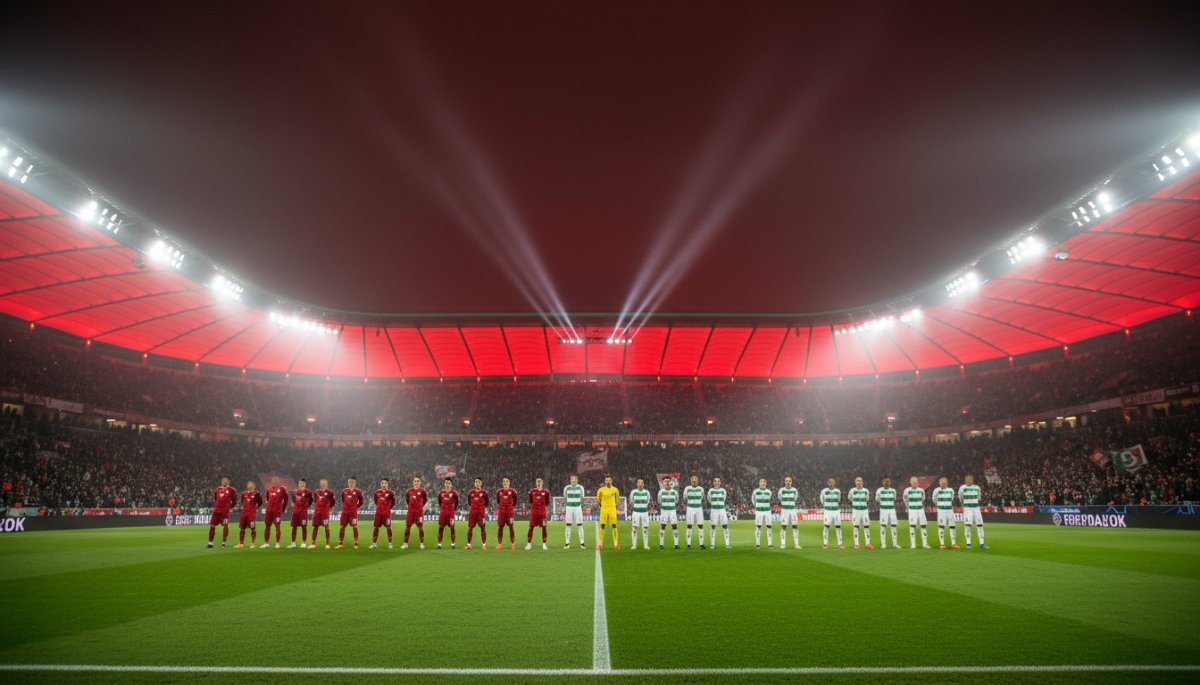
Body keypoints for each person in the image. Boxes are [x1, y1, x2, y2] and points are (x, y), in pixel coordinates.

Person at [958, 474, 988, 549]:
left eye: (970, 479)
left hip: (976, 509)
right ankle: (968, 543)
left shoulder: (977, 488)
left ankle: (982, 544)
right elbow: (960, 497)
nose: (968, 480)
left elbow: (979, 497)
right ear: (965, 480)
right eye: (967, 479)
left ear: (972, 480)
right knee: (968, 525)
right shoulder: (962, 488)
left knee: (980, 525)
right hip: (967, 509)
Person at [206, 476, 236, 549]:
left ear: (228, 481)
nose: (224, 481)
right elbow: (216, 498)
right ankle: (210, 543)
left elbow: (234, 501)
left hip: (225, 512)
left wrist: (229, 507)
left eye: (226, 480)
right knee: (212, 525)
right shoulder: (217, 489)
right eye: (223, 480)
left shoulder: (231, 490)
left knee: (225, 526)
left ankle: (223, 542)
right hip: (216, 511)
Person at [902, 477, 930, 549]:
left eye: (916, 482)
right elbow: (905, 499)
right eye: (913, 482)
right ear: (910, 483)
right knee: (912, 526)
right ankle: (913, 544)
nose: (915, 483)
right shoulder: (907, 490)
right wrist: (908, 507)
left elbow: (923, 498)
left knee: (923, 525)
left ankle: (925, 544)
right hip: (912, 510)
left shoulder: (921, 490)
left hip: (920, 510)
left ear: (918, 482)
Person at [336, 476, 364, 550]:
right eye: (350, 482)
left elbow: (361, 501)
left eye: (353, 482)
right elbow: (343, 500)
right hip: (345, 512)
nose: (351, 483)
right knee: (342, 526)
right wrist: (346, 507)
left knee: (354, 526)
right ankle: (340, 543)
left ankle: (356, 543)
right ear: (348, 483)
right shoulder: (344, 491)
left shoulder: (358, 491)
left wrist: (356, 507)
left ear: (355, 483)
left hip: (353, 512)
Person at [262, 478, 289, 550]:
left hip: (277, 511)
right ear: (272, 482)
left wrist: (283, 509)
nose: (275, 481)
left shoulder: (282, 489)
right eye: (273, 480)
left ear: (279, 481)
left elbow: (286, 500)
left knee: (277, 526)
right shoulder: (269, 489)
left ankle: (277, 543)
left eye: (276, 480)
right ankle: (266, 543)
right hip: (269, 511)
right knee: (267, 526)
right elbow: (268, 499)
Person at [234, 481, 262, 549]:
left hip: (251, 514)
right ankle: (241, 543)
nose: (250, 486)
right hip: (244, 514)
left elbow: (260, 502)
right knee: (242, 528)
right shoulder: (244, 494)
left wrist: (256, 508)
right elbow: (242, 501)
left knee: (252, 528)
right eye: (249, 485)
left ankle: (252, 543)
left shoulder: (256, 494)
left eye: (251, 485)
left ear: (254, 486)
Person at [932, 477, 958, 549]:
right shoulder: (936, 490)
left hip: (949, 510)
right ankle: (942, 544)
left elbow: (951, 499)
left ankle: (953, 544)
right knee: (941, 526)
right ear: (939, 483)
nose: (943, 484)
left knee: (952, 526)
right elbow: (934, 499)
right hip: (941, 511)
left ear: (946, 483)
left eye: (944, 483)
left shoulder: (951, 490)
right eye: (941, 483)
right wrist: (939, 505)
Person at [402, 477, 428, 550]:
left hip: (419, 512)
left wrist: (420, 506)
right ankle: (405, 543)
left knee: (420, 527)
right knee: (408, 527)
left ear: (420, 482)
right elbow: (407, 500)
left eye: (418, 481)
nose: (416, 483)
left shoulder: (423, 491)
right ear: (413, 482)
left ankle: (422, 544)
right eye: (415, 481)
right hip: (411, 512)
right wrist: (411, 507)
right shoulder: (409, 491)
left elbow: (425, 500)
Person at [310, 479, 336, 549]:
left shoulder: (330, 492)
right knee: (315, 526)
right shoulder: (316, 492)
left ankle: (327, 543)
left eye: (324, 483)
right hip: (317, 512)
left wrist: (327, 508)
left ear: (327, 484)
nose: (323, 484)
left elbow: (333, 502)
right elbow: (315, 500)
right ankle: (313, 543)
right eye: (321, 483)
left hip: (325, 513)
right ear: (320, 484)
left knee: (326, 527)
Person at [596, 474, 620, 550]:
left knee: (614, 526)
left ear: (611, 481)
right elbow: (598, 500)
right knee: (602, 526)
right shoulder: (601, 490)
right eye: (606, 480)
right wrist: (603, 505)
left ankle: (615, 544)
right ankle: (600, 544)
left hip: (612, 509)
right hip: (604, 510)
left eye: (609, 480)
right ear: (605, 481)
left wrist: (612, 506)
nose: (608, 481)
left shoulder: (615, 490)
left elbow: (617, 500)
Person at [526, 477, 551, 551]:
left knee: (544, 527)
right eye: (538, 482)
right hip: (534, 513)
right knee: (531, 527)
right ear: (536, 483)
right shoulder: (532, 491)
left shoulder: (546, 492)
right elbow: (530, 501)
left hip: (542, 513)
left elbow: (547, 502)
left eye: (540, 482)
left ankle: (544, 544)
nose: (539, 484)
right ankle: (529, 544)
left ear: (542, 483)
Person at [777, 476, 801, 550]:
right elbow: (780, 498)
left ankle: (796, 544)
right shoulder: (781, 490)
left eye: (789, 481)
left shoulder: (794, 490)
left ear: (791, 482)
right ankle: (783, 544)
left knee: (795, 526)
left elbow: (795, 499)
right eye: (786, 481)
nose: (788, 482)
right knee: (783, 526)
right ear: (784, 482)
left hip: (792, 510)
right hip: (784, 510)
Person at [562, 474, 586, 549]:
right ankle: (567, 543)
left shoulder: (581, 487)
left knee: (580, 525)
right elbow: (565, 497)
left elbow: (582, 497)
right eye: (572, 479)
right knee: (568, 525)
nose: (573, 480)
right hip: (569, 507)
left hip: (577, 507)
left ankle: (582, 543)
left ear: (577, 480)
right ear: (570, 480)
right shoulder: (566, 488)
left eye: (575, 479)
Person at [371, 479, 396, 550]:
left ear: (387, 484)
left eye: (385, 483)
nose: (384, 484)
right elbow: (376, 501)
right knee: (376, 527)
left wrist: (388, 508)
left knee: (388, 527)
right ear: (380, 484)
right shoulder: (377, 493)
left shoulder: (390, 493)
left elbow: (393, 502)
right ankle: (374, 544)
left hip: (386, 514)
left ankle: (390, 543)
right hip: (378, 513)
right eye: (382, 483)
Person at [288, 479, 313, 549]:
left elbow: (311, 501)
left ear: (305, 484)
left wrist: (305, 507)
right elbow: (293, 499)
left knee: (303, 527)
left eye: (302, 483)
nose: (301, 484)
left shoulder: (308, 492)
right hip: (295, 512)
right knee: (294, 527)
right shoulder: (294, 492)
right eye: (300, 483)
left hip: (303, 513)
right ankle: (293, 543)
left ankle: (304, 543)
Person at [849, 476, 872, 550]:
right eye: (857, 481)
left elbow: (867, 499)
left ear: (862, 482)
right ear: (855, 482)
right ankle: (856, 544)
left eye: (860, 481)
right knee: (856, 527)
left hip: (864, 510)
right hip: (856, 511)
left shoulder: (866, 491)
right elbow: (850, 498)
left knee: (866, 526)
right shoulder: (852, 490)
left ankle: (868, 544)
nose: (859, 482)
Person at [875, 477, 899, 549]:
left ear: (890, 482)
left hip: (892, 510)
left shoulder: (893, 491)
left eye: (888, 481)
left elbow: (894, 499)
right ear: (882, 483)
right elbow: (877, 499)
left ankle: (895, 544)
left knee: (894, 526)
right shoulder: (879, 490)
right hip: (883, 510)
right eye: (885, 481)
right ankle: (883, 544)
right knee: (883, 526)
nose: (886, 483)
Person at [628, 478, 652, 550]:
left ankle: (646, 545)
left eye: (642, 482)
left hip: (644, 512)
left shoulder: (647, 492)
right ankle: (634, 545)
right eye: (639, 482)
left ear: (643, 484)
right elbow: (631, 502)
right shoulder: (633, 492)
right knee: (634, 528)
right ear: (636, 484)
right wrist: (636, 508)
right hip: (636, 512)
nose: (640, 484)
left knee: (645, 528)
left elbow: (648, 502)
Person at [820, 477, 844, 549]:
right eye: (830, 482)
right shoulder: (824, 491)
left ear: (834, 483)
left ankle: (840, 544)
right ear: (827, 483)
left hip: (836, 511)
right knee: (826, 527)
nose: (831, 483)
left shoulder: (838, 491)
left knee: (838, 527)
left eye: (832, 482)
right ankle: (825, 544)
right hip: (827, 511)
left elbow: (839, 500)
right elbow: (822, 500)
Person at [657, 475, 680, 550]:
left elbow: (676, 501)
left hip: (672, 510)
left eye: (668, 481)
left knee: (674, 526)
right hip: (664, 510)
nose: (667, 483)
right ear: (663, 483)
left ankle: (676, 544)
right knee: (663, 526)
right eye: (665, 481)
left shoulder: (674, 492)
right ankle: (661, 544)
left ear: (671, 482)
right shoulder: (661, 492)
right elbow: (659, 501)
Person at [707, 477, 730, 549]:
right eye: (715, 481)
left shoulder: (723, 490)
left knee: (725, 526)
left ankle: (727, 544)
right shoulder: (710, 491)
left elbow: (724, 499)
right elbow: (709, 499)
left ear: (720, 483)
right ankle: (712, 544)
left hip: (722, 510)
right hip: (714, 510)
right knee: (713, 526)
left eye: (718, 481)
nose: (717, 482)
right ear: (713, 483)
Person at [683, 475, 705, 550]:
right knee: (689, 525)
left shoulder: (701, 489)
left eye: (695, 480)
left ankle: (701, 544)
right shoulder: (687, 489)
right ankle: (688, 545)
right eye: (692, 480)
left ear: (697, 481)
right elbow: (685, 498)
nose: (694, 481)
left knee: (700, 525)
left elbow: (702, 497)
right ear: (691, 481)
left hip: (699, 508)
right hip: (690, 508)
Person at [465, 478, 489, 550]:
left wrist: (481, 508)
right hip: (473, 513)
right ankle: (469, 545)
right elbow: (469, 502)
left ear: (481, 483)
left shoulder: (485, 493)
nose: (477, 483)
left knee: (483, 527)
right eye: (476, 482)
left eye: (478, 482)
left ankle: (484, 545)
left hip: (481, 513)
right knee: (470, 528)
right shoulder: (470, 493)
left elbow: (487, 502)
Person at [495, 477, 518, 550]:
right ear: (502, 483)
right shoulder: (499, 492)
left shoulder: (513, 491)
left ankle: (512, 544)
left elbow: (515, 501)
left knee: (511, 527)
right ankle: (499, 544)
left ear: (509, 483)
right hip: (501, 513)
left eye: (507, 481)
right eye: (504, 481)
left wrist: (510, 507)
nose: (505, 483)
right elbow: (498, 501)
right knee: (500, 527)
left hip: (510, 513)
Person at [437, 478, 460, 550]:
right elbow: (439, 502)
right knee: (441, 528)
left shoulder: (454, 493)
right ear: (444, 484)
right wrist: (443, 509)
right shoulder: (440, 493)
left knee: (452, 528)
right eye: (446, 483)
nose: (447, 485)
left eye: (449, 483)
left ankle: (453, 544)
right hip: (443, 513)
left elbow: (457, 503)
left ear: (451, 485)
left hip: (451, 514)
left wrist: (452, 510)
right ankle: (439, 544)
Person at [751, 478, 773, 549]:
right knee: (758, 527)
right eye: (761, 482)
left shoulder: (769, 492)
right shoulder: (755, 491)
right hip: (759, 511)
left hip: (767, 511)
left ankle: (770, 544)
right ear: (759, 483)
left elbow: (769, 499)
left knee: (769, 526)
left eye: (764, 482)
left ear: (766, 483)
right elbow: (753, 500)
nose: (762, 483)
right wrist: (757, 506)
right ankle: (758, 544)